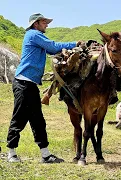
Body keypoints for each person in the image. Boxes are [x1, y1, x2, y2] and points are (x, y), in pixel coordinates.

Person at [6, 13, 82, 163]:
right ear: (36, 24)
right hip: (23, 83)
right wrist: (75, 43)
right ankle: (11, 153)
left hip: (30, 84)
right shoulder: (33, 34)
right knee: (19, 118)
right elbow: (52, 46)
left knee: (38, 120)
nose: (47, 24)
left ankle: (45, 155)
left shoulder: (36, 36)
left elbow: (51, 50)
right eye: (44, 22)